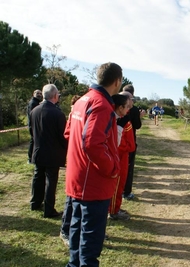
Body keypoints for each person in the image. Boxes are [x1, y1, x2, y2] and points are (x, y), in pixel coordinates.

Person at [64, 62, 122, 267]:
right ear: (117, 82)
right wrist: (113, 168)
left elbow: (69, 133)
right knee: (90, 243)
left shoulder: (81, 101)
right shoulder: (102, 105)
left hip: (78, 179)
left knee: (76, 233)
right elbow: (91, 143)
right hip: (94, 184)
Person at [29, 84, 67, 218]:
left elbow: (31, 132)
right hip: (53, 153)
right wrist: (65, 149)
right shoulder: (58, 114)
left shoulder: (34, 111)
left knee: (38, 177)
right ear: (55, 96)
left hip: (38, 150)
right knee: (51, 181)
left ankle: (35, 202)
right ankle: (49, 209)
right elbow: (63, 136)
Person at [108, 92, 136, 220]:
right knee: (117, 185)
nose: (128, 107)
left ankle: (115, 207)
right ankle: (113, 210)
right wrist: (128, 147)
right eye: (127, 105)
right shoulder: (120, 122)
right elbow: (124, 144)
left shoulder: (118, 119)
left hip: (120, 156)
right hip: (119, 157)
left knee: (119, 184)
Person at [60, 95, 82, 247]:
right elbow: (67, 133)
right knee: (71, 198)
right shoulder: (73, 116)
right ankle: (65, 230)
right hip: (74, 159)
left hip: (81, 161)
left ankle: (79, 230)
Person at [120, 84, 145, 200]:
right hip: (129, 142)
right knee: (128, 169)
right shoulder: (133, 110)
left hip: (117, 143)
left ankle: (118, 192)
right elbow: (137, 125)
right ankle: (126, 192)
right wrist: (139, 116)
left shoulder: (115, 106)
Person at [27, 89, 43, 163]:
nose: (39, 94)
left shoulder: (36, 102)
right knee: (33, 141)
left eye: (40, 93)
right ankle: (30, 158)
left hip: (33, 124)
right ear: (33, 94)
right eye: (37, 93)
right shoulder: (33, 103)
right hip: (33, 125)